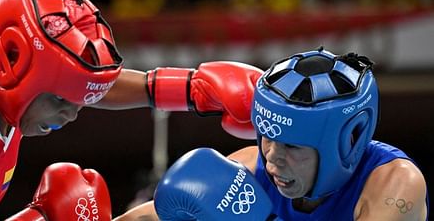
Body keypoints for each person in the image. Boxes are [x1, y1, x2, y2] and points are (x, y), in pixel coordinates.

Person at [0, 0, 262, 220]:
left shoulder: (8, 91)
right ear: (13, 65)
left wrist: (190, 89)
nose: (72, 114)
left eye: (79, 98)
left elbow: (83, 86)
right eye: (62, 100)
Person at [114, 48, 429, 221]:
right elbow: (147, 216)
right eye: (265, 136)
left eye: (292, 145)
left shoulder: (396, 184)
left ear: (346, 143)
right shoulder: (251, 169)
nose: (273, 157)